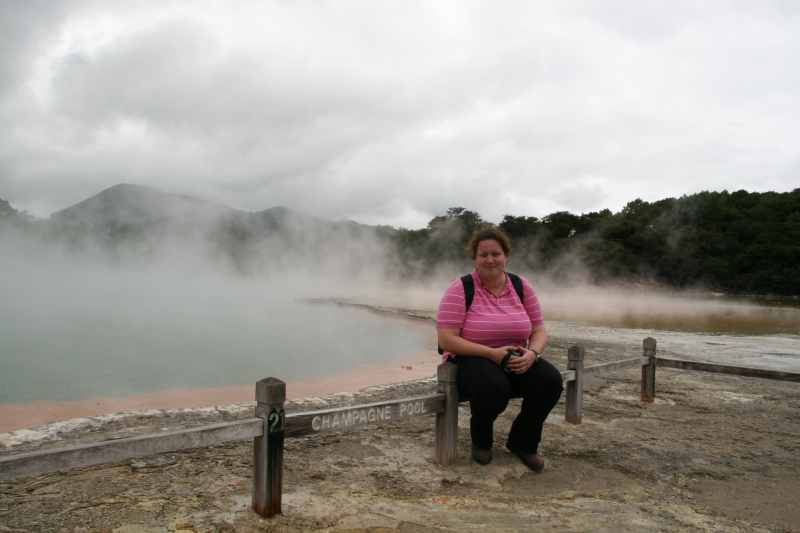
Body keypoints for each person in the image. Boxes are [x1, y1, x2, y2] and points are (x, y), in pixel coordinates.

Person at [436, 226, 563, 471]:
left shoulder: (520, 285)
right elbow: (446, 340)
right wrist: (491, 353)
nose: (490, 259)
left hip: (514, 357)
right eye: (483, 254)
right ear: (474, 258)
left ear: (506, 255)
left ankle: (523, 443)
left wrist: (533, 353)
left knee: (550, 381)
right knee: (494, 386)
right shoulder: (460, 288)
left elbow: (539, 330)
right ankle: (481, 441)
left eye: (496, 253)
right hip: (470, 359)